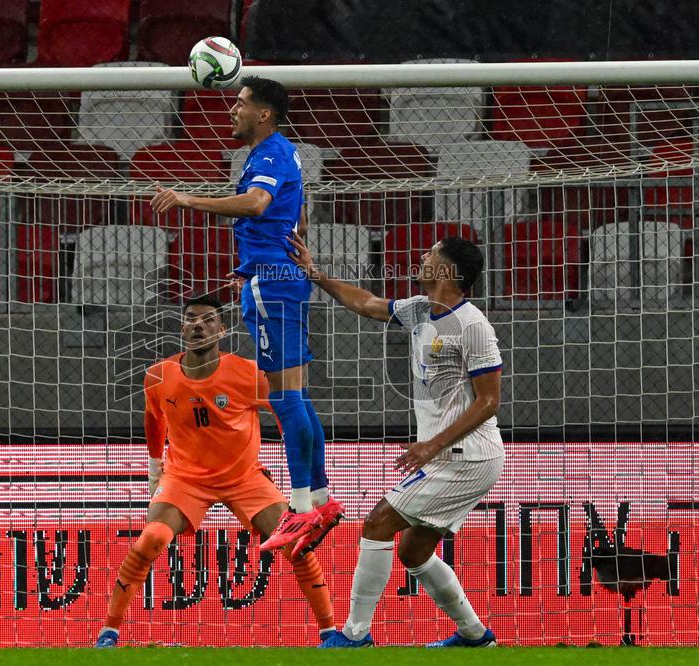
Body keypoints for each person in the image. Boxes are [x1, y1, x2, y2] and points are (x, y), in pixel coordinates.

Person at [150, 76, 341, 556]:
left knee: (284, 398)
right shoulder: (281, 152)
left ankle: (299, 511)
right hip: (275, 277)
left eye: (240, 103)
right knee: (295, 394)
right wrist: (279, 253)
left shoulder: (271, 153)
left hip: (272, 285)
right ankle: (319, 500)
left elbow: (257, 204)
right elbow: (296, 211)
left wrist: (188, 199)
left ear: (264, 113)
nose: (232, 110)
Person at [288, 233, 504, 648]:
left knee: (378, 522)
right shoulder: (422, 310)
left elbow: (489, 401)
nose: (422, 256)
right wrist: (316, 276)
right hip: (449, 455)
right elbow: (367, 304)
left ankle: (353, 635)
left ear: (448, 271)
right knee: (412, 553)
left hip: (467, 456)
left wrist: (431, 445)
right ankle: (475, 636)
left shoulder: (473, 325)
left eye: (431, 252)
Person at [95, 294, 336, 647]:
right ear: (181, 328)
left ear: (222, 330)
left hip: (244, 478)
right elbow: (153, 419)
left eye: (208, 320)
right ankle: (109, 632)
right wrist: (153, 467)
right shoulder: (158, 376)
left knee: (297, 545)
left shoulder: (249, 373)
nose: (198, 325)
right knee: (151, 540)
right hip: (184, 478)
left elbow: (293, 418)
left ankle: (330, 633)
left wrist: (298, 475)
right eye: (191, 318)